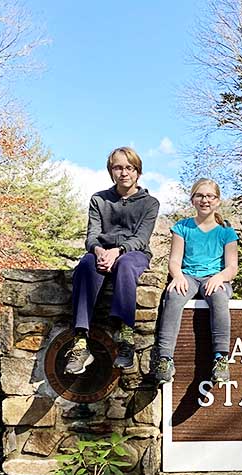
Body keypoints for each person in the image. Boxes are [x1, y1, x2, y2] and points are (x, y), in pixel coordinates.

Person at [65, 147, 160, 374]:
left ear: (138, 172)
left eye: (129, 168)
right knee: (86, 266)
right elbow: (91, 235)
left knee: (126, 265)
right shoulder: (99, 199)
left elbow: (141, 238)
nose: (124, 173)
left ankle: (125, 338)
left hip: (133, 254)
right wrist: (98, 251)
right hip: (101, 252)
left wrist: (118, 251)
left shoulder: (150, 203)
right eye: (118, 167)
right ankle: (80, 340)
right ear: (111, 171)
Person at [153, 178, 239, 385]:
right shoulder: (182, 227)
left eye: (210, 196)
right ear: (192, 200)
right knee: (173, 296)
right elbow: (174, 261)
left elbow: (232, 268)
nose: (205, 200)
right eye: (200, 195)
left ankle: (220, 359)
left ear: (218, 201)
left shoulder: (226, 232)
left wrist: (219, 278)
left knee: (219, 298)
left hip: (215, 279)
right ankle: (165, 359)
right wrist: (178, 276)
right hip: (188, 277)